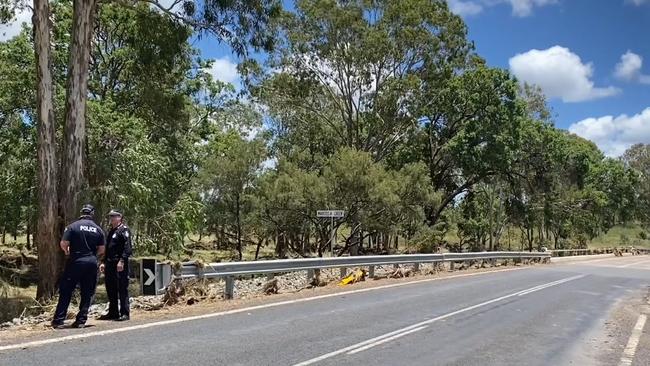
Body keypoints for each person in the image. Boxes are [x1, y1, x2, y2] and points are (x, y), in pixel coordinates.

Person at [52, 204, 105, 329]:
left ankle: (59, 320)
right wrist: (92, 255)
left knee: (66, 290)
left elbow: (64, 243)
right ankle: (81, 320)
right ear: (92, 214)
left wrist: (67, 252)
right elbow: (102, 249)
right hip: (91, 262)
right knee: (87, 292)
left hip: (76, 260)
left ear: (81, 213)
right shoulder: (98, 229)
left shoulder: (72, 227)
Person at [99, 209, 132, 321]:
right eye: (111, 216)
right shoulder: (111, 231)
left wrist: (122, 261)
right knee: (111, 288)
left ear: (120, 217)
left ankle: (125, 313)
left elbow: (127, 248)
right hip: (110, 263)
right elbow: (108, 248)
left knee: (122, 288)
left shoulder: (124, 230)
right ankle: (113, 312)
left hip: (119, 263)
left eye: (114, 216)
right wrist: (103, 262)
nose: (112, 218)